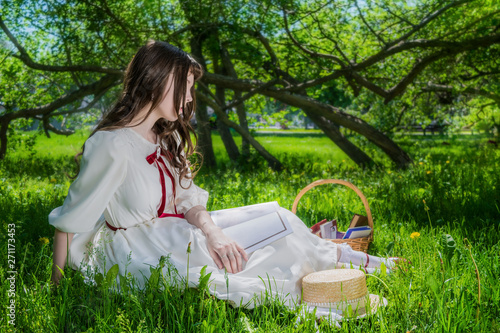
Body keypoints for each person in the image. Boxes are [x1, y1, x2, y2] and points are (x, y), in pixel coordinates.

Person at [49, 40, 397, 309]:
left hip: (175, 232)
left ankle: (345, 260)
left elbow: (186, 200)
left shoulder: (166, 134)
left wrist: (213, 232)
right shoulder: (111, 145)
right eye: (184, 86)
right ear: (156, 80)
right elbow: (69, 221)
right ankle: (353, 264)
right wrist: (57, 292)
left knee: (280, 217)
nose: (188, 98)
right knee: (266, 247)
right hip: (139, 251)